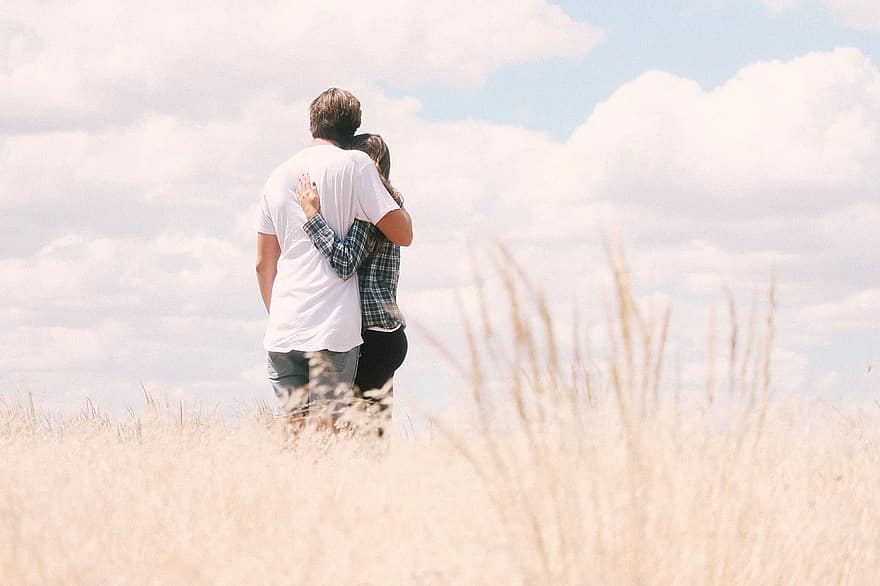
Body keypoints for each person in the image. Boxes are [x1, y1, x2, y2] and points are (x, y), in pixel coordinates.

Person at [255, 88, 413, 432]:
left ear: (312, 121)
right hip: (335, 327)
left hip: (286, 323)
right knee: (338, 433)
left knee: (289, 428)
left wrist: (280, 311)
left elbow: (263, 264)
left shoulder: (277, 175)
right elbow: (401, 234)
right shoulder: (356, 168)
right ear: (352, 127)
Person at [294, 134, 407, 434]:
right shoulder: (391, 205)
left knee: (353, 439)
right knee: (372, 438)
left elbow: (345, 262)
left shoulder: (368, 209)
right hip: (387, 332)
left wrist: (312, 217)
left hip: (369, 336)